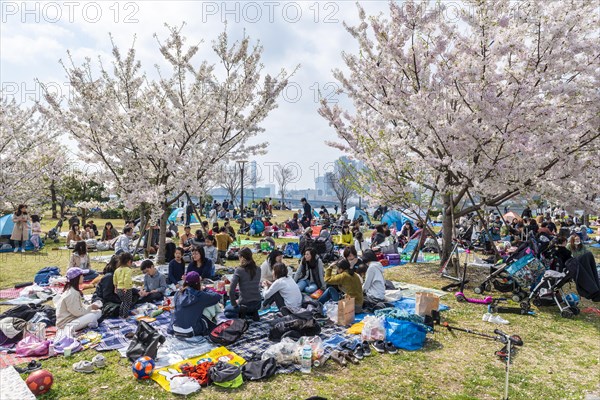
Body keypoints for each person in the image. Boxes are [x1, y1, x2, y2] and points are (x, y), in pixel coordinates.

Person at [168, 271, 222, 337]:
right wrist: (205, 289)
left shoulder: (178, 293)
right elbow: (217, 297)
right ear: (198, 283)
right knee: (207, 315)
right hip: (190, 331)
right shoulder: (200, 295)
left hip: (175, 329)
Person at [226, 248, 262, 320]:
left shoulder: (239, 270)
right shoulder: (258, 269)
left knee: (227, 311)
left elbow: (231, 290)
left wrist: (235, 305)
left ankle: (245, 313)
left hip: (245, 304)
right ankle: (252, 313)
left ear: (242, 257)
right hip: (257, 303)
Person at [113, 252, 135, 318]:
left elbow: (115, 279)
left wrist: (115, 287)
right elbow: (127, 279)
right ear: (129, 262)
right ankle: (125, 315)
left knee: (123, 301)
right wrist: (126, 287)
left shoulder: (117, 270)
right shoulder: (128, 270)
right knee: (127, 302)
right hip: (126, 288)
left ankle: (121, 314)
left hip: (119, 288)